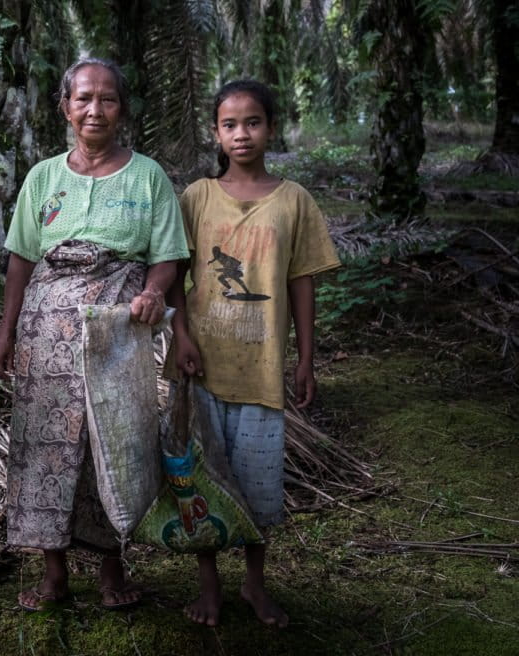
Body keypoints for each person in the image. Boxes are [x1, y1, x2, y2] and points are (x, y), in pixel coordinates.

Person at [0, 57, 190, 612]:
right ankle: (53, 576)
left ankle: (111, 571)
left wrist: (152, 291)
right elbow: (20, 260)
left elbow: (169, 255)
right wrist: (6, 331)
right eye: (83, 98)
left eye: (106, 98)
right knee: (45, 447)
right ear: (65, 107)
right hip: (44, 333)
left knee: (114, 441)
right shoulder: (43, 178)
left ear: (121, 109)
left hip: (116, 332)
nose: (94, 109)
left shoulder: (147, 176)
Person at [168, 79, 340, 628]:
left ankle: (254, 584)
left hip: (263, 370)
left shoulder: (294, 201)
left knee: (259, 487)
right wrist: (181, 336)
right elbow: (174, 272)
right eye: (229, 124)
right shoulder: (196, 197)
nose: (241, 134)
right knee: (202, 480)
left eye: (253, 122)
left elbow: (302, 282)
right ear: (215, 133)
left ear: (271, 126)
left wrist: (305, 357)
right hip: (203, 367)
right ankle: (210, 587)